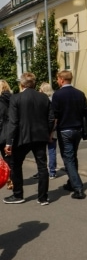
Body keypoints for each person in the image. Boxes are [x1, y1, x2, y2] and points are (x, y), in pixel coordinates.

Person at [3, 72, 55, 206]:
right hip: (40, 136)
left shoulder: (16, 98)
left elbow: (13, 122)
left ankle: (18, 194)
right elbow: (51, 118)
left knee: (15, 164)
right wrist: (48, 133)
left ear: (21, 84)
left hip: (23, 137)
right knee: (42, 166)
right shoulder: (44, 98)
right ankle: (43, 197)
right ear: (34, 83)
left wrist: (9, 142)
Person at [52, 70, 87, 200]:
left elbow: (54, 115)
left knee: (68, 158)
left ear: (62, 79)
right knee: (73, 156)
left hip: (64, 130)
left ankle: (78, 188)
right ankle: (71, 182)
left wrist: (51, 130)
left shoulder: (57, 95)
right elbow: (86, 111)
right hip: (78, 130)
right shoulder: (80, 94)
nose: (57, 81)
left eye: (57, 79)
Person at [39, 82, 58, 178]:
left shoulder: (44, 101)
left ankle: (44, 171)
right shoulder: (54, 100)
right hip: (53, 130)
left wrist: (50, 133)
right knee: (52, 150)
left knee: (43, 152)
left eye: (40, 89)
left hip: (46, 130)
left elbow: (53, 119)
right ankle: (52, 171)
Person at [0, 80, 13, 190]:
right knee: (8, 156)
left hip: (2, 132)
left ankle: (7, 178)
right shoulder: (12, 99)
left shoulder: (0, 101)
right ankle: (11, 178)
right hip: (11, 131)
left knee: (4, 157)